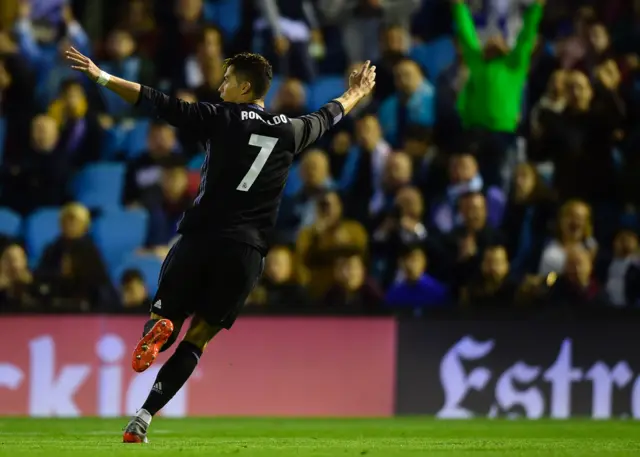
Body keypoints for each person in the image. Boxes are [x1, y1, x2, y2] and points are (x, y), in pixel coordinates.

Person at [65, 47, 376, 443]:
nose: (219, 86)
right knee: (199, 339)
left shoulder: (220, 117)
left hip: (200, 239)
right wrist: (358, 93)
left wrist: (101, 77)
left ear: (244, 87)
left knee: (168, 316)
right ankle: (142, 417)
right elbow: (329, 115)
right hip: (245, 253)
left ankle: (162, 324)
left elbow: (157, 101)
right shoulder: (290, 131)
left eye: (226, 80)